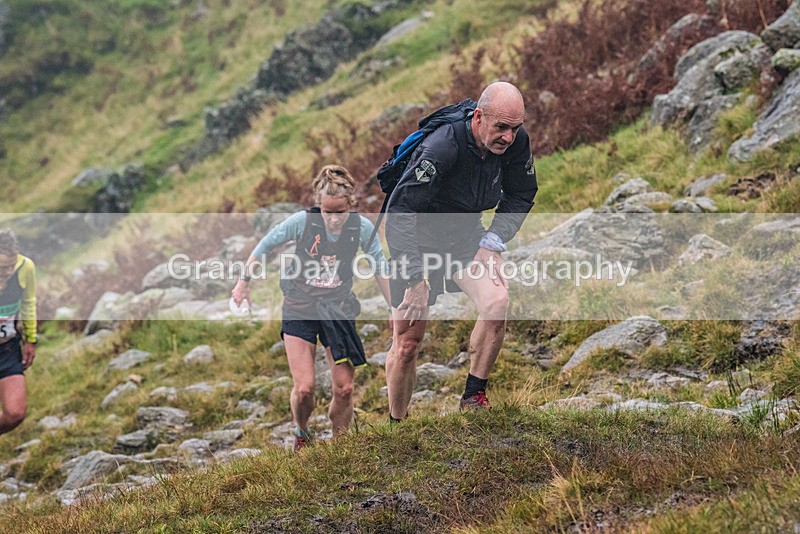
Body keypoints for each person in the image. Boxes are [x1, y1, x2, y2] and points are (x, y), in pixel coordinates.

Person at [384, 82, 538, 419]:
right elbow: (400, 212)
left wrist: (493, 241)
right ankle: (397, 423)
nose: (509, 137)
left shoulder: (515, 141)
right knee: (407, 343)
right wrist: (414, 280)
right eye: (501, 127)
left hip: (465, 236)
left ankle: (473, 396)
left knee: (497, 302)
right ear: (479, 117)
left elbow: (523, 192)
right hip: (417, 239)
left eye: (515, 128)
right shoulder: (442, 147)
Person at [231, 165, 391, 451]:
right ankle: (302, 431)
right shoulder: (302, 222)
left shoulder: (361, 228)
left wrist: (394, 309)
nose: (333, 219)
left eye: (340, 212)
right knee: (304, 389)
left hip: (337, 309)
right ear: (319, 206)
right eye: (327, 212)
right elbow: (263, 247)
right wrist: (243, 283)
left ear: (351, 205)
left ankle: (340, 447)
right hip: (300, 307)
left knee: (345, 388)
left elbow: (380, 267)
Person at [0, 229, 37, 435]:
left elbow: (29, 303)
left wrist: (31, 339)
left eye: (11, 265)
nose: (9, 272)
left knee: (15, 413)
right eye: (3, 267)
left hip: (8, 348)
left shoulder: (25, 268)